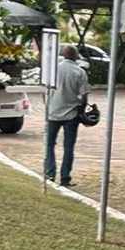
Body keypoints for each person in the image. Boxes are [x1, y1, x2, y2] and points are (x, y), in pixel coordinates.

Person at [44, 44, 90, 187]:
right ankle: (65, 177)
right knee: (68, 147)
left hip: (53, 112)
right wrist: (81, 111)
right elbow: (84, 97)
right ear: (76, 56)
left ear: (63, 55)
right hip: (71, 114)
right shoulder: (79, 72)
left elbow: (45, 89)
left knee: (50, 144)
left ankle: (50, 173)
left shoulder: (53, 69)